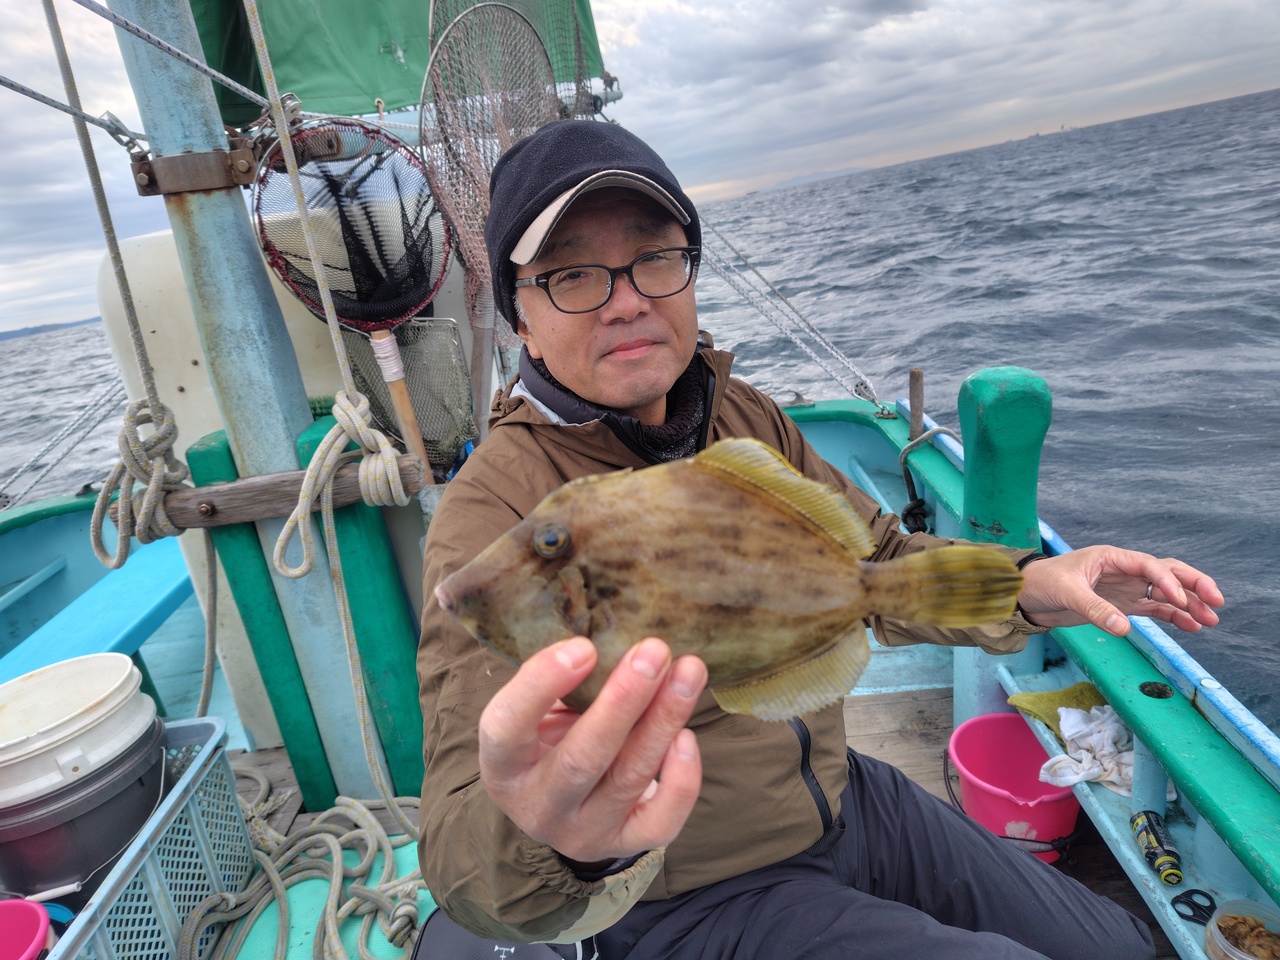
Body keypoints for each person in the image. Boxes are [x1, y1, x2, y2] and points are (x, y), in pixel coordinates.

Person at [415, 119, 1224, 960]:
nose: (627, 300)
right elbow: (463, 853)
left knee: (1120, 946)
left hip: (842, 799)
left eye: (654, 256)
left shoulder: (740, 414)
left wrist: (1036, 584)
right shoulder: (493, 512)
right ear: (520, 319)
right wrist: (559, 841)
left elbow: (876, 569)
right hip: (690, 893)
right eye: (573, 274)